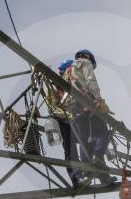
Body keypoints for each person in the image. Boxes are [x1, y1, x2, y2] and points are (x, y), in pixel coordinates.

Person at [66, 49, 116, 186]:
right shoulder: (84, 63)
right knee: (102, 134)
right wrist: (99, 99)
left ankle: (90, 172)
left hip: (75, 108)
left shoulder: (69, 70)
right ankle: (98, 161)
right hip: (88, 103)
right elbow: (90, 80)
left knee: (85, 140)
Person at [45, 59, 82, 187]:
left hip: (77, 118)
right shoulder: (55, 90)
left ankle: (84, 172)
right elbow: (53, 108)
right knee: (70, 150)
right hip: (64, 122)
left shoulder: (75, 85)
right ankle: (76, 177)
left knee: (87, 143)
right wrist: (68, 115)